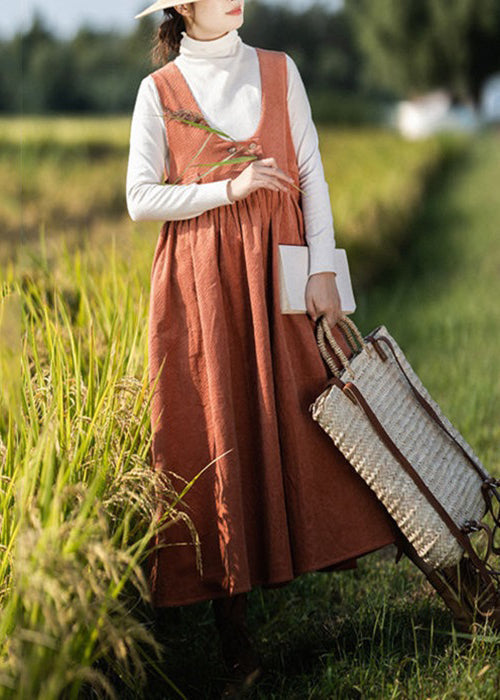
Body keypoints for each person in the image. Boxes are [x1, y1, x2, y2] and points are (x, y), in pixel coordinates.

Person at [126, 0, 398, 694]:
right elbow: (139, 198)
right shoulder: (157, 92)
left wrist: (326, 270)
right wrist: (230, 188)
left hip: (277, 277)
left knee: (315, 414)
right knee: (214, 434)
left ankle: (401, 535)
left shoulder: (279, 70)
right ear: (184, 8)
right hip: (203, 291)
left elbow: (312, 171)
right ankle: (232, 628)